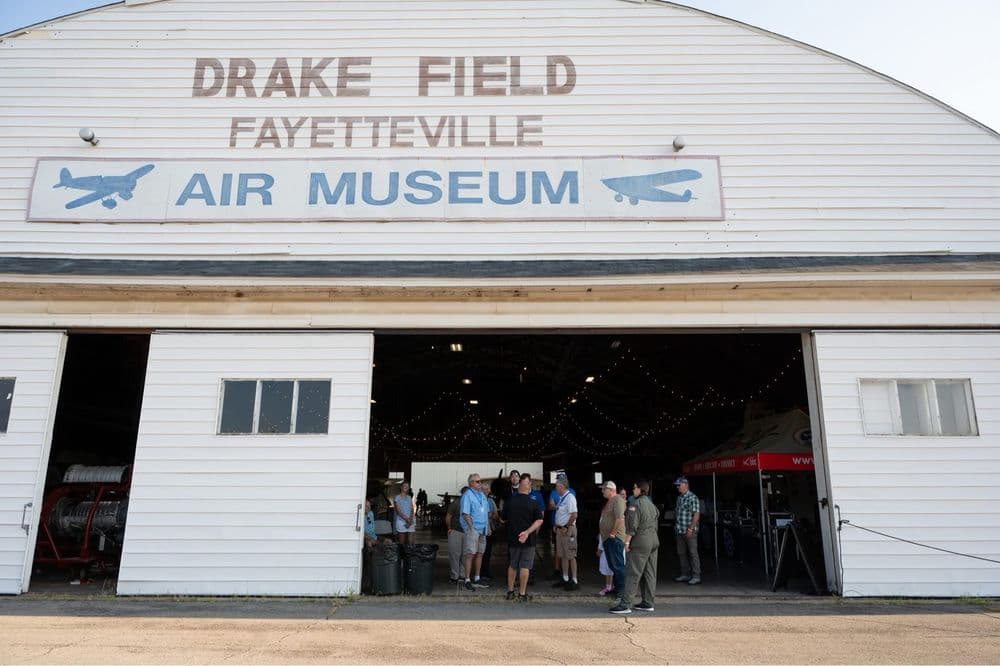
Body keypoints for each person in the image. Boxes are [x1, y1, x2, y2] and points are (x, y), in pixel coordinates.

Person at [616, 480, 660, 614]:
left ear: (641, 490)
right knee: (650, 573)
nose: (632, 490)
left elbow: (631, 527)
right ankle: (648, 602)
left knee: (633, 573)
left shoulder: (635, 505)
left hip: (640, 541)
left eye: (634, 488)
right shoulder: (652, 505)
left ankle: (625, 604)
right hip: (653, 540)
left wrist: (627, 543)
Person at [505, 472, 545, 602]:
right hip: (528, 540)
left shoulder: (510, 501)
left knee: (512, 565)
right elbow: (540, 520)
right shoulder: (533, 503)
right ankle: (522, 594)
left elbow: (503, 518)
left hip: (513, 538)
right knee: (525, 566)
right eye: (529, 484)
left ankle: (510, 592)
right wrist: (527, 532)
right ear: (527, 485)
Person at [599, 480, 627, 608]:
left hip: (614, 539)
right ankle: (617, 588)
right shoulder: (610, 501)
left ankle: (622, 591)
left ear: (611, 490)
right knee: (613, 565)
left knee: (618, 565)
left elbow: (620, 518)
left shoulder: (617, 500)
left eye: (604, 489)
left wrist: (613, 533)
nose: (602, 491)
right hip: (609, 539)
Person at [460, 472, 490, 590]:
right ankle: (467, 579)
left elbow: (485, 513)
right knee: (470, 554)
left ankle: (477, 578)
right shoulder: (467, 495)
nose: (480, 483)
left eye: (480, 481)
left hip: (482, 529)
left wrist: (488, 527)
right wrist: (471, 528)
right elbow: (465, 513)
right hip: (473, 529)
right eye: (477, 481)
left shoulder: (482, 495)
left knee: (480, 553)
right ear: (471, 483)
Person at [551, 476, 579, 591]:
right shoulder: (562, 498)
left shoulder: (570, 497)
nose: (556, 488)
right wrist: (556, 525)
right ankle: (565, 578)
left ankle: (574, 580)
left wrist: (566, 527)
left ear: (561, 486)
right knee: (562, 555)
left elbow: (574, 514)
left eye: (557, 486)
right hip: (560, 530)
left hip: (567, 530)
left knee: (571, 555)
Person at [673, 476, 701, 585]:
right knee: (681, 553)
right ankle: (685, 574)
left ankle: (696, 575)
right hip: (680, 530)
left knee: (693, 552)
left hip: (689, 531)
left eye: (679, 485)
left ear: (686, 485)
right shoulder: (679, 498)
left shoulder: (692, 497)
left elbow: (696, 514)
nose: (677, 487)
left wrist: (691, 528)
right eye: (677, 485)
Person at [445, 487, 468, 582]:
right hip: (456, 531)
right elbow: (448, 517)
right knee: (454, 554)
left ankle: (462, 575)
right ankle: (455, 576)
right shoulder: (456, 503)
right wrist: (449, 528)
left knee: (465, 555)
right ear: (462, 494)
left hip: (467, 532)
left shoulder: (471, 503)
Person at [480, 480, 500, 582]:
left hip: (489, 531)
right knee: (478, 553)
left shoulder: (491, 501)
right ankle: (477, 574)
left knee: (487, 553)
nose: (485, 491)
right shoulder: (476, 500)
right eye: (483, 489)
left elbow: (496, 515)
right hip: (478, 531)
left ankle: (485, 572)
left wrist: (489, 515)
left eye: (487, 489)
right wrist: (489, 514)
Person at [392, 481, 417, 545]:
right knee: (402, 543)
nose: (406, 487)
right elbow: (398, 512)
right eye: (405, 486)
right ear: (401, 487)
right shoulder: (397, 498)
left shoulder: (409, 497)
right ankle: (402, 554)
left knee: (410, 543)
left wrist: (410, 520)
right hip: (401, 521)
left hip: (410, 521)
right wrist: (407, 520)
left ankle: (409, 554)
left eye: (408, 486)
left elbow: (412, 509)